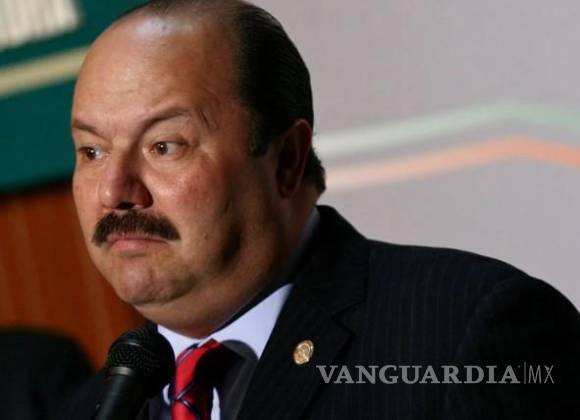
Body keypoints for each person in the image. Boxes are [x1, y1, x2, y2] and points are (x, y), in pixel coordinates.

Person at [64, 0, 580, 419]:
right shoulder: (93, 407)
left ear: (286, 159)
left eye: (164, 146)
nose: (114, 191)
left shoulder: (468, 334)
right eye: (92, 152)